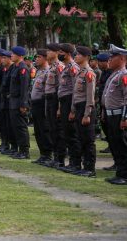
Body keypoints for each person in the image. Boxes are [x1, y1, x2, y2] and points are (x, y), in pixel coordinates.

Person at [69, 46, 96, 177]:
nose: (76, 56)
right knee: (80, 138)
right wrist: (73, 110)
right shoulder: (80, 72)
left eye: (79, 55)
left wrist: (87, 114)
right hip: (79, 108)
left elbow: (90, 96)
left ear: (86, 57)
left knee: (88, 140)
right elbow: (76, 94)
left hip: (86, 108)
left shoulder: (89, 73)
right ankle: (84, 166)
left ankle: (90, 168)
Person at [102, 44, 127, 185]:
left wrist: (125, 117)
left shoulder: (124, 75)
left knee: (122, 146)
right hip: (111, 114)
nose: (110, 59)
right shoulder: (114, 74)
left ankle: (125, 175)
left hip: (119, 116)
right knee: (115, 145)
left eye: (113, 56)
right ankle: (120, 173)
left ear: (122, 58)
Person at [57, 43, 81, 173]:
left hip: (70, 102)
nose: (59, 54)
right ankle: (72, 161)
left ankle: (76, 163)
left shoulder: (73, 68)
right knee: (67, 133)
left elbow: (75, 91)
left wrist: (72, 109)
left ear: (68, 54)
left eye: (61, 52)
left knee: (72, 134)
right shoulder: (66, 67)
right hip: (64, 102)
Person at [43, 43, 66, 167]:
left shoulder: (59, 67)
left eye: (50, 50)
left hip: (55, 99)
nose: (47, 53)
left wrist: (59, 107)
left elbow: (61, 87)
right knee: (52, 129)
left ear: (57, 52)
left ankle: (60, 159)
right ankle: (56, 156)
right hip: (49, 99)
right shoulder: (51, 67)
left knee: (58, 130)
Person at [31, 49, 54, 164]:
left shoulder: (47, 71)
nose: (36, 59)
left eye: (39, 57)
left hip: (42, 103)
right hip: (35, 104)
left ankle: (48, 154)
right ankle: (43, 154)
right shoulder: (39, 71)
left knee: (44, 129)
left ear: (45, 58)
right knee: (38, 130)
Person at [8, 46, 30, 159]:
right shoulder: (15, 67)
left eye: (13, 53)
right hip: (13, 101)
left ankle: (25, 151)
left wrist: (23, 104)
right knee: (15, 127)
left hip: (19, 102)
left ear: (20, 56)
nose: (11, 55)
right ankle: (20, 149)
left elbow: (24, 88)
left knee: (21, 127)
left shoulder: (23, 68)